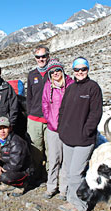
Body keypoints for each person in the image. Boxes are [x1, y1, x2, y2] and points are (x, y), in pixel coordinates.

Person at [58, 57, 103, 211]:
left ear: (88, 69)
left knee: (76, 173)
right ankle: (72, 201)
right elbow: (62, 110)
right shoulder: (70, 88)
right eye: (77, 70)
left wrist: (87, 131)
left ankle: (81, 205)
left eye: (83, 69)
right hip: (68, 137)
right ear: (73, 71)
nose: (80, 72)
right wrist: (61, 128)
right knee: (70, 172)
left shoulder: (93, 88)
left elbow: (96, 113)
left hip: (84, 140)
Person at [42, 58, 74, 199]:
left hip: (68, 129)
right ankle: (51, 186)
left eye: (57, 70)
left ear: (62, 70)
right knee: (54, 158)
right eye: (52, 71)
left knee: (67, 160)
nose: (55, 73)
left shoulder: (71, 84)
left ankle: (64, 189)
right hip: (53, 129)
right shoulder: (48, 86)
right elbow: (45, 106)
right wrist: (52, 122)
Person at [26, 45, 50, 184]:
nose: (41, 59)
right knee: (36, 149)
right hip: (34, 118)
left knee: (50, 149)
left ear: (48, 56)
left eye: (43, 56)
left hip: (50, 119)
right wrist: (30, 113)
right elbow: (29, 97)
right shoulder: (32, 74)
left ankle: (48, 175)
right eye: (38, 57)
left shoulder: (54, 72)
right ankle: (36, 173)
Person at [0, 116, 30, 193]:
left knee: (3, 176)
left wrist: (1, 169)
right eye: (0, 128)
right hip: (7, 166)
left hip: (21, 171)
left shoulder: (16, 142)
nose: (2, 131)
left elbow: (16, 165)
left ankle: (21, 184)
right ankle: (7, 184)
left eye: (5, 128)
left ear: (10, 128)